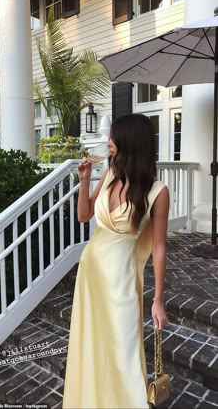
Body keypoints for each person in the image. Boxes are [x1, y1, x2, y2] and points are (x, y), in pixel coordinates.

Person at [62, 114, 169, 409]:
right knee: (92, 345)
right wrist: (84, 181)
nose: (108, 142)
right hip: (91, 274)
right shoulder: (110, 174)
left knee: (123, 350)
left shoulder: (157, 192)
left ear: (131, 143)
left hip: (122, 280)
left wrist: (158, 299)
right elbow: (84, 216)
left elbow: (158, 248)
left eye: (114, 137)